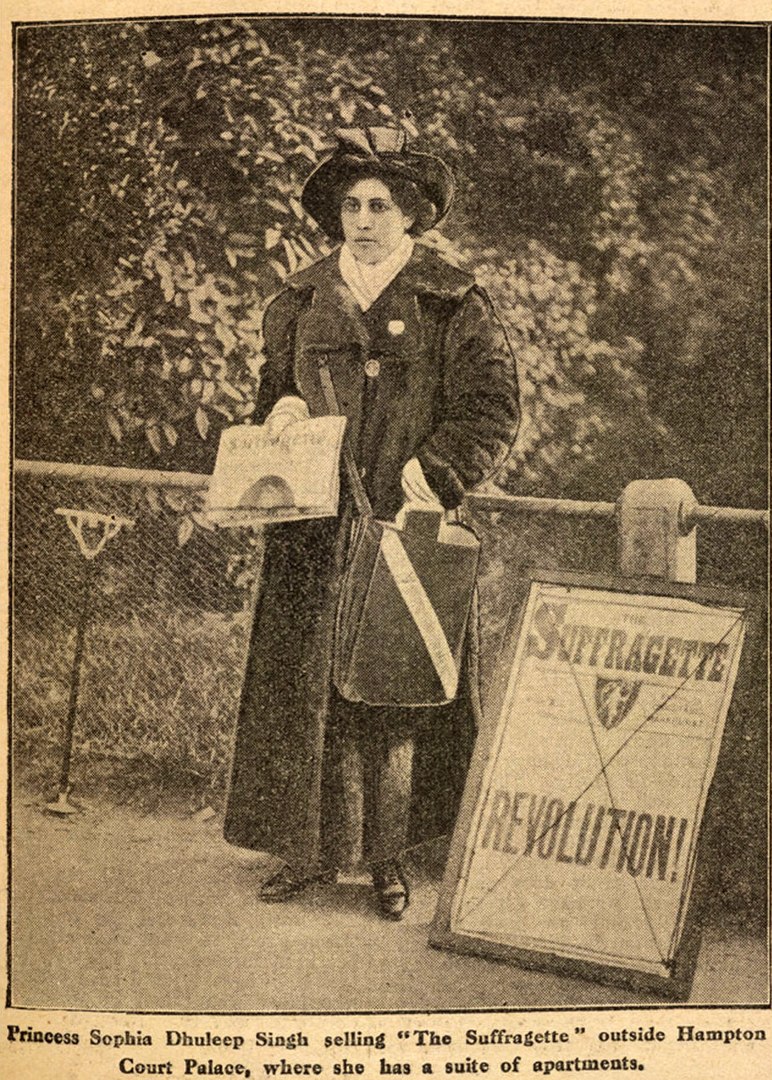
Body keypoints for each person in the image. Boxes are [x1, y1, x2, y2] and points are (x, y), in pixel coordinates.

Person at [223, 126, 520, 919]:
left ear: (413, 215)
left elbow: (492, 410)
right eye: (350, 204)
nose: (362, 219)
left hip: (404, 521)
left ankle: (389, 860)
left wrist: (438, 469)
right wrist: (281, 409)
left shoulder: (453, 300)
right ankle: (305, 851)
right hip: (311, 528)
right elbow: (267, 396)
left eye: (380, 205)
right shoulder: (297, 298)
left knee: (392, 693)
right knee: (303, 688)